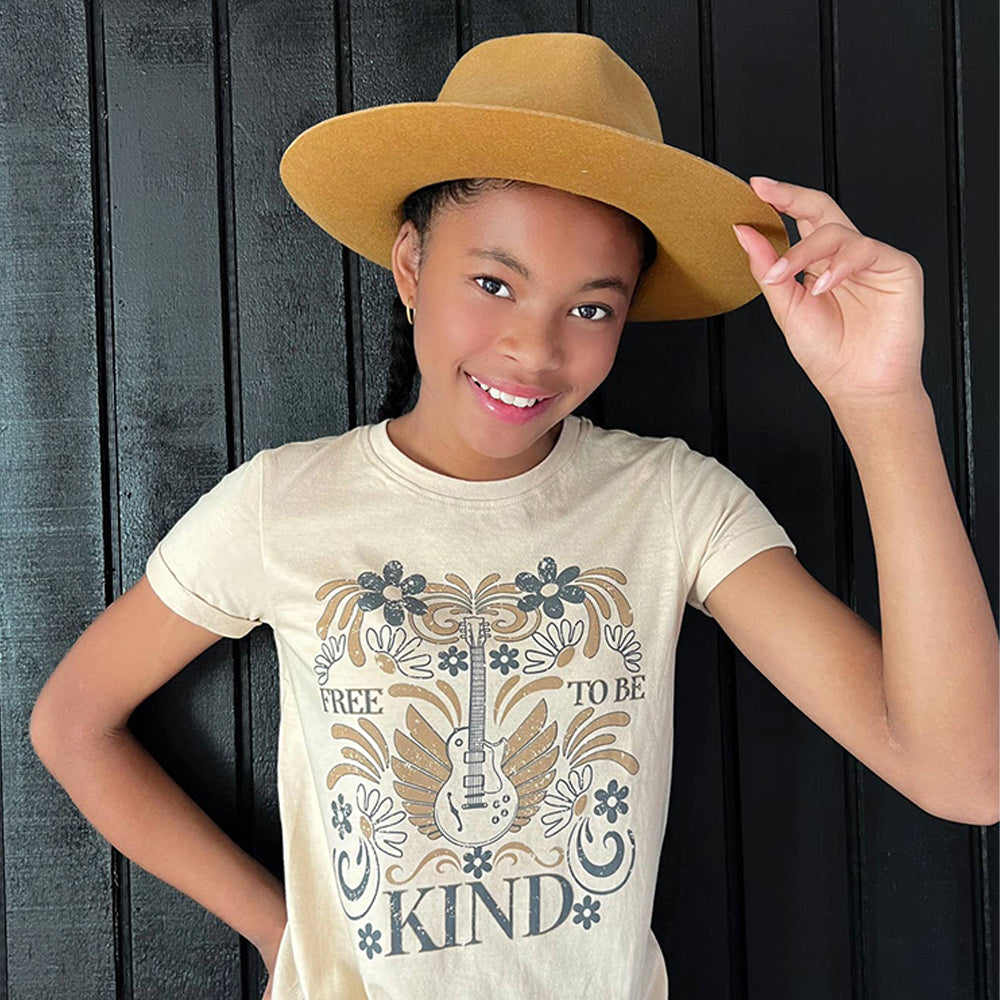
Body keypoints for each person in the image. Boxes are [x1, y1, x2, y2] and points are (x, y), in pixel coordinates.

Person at [29, 30, 998, 1000]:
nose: (534, 349)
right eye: (494, 283)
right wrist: (280, 927)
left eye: (590, 309)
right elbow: (73, 723)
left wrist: (881, 403)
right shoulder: (281, 505)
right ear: (410, 264)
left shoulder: (671, 503)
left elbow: (965, 776)